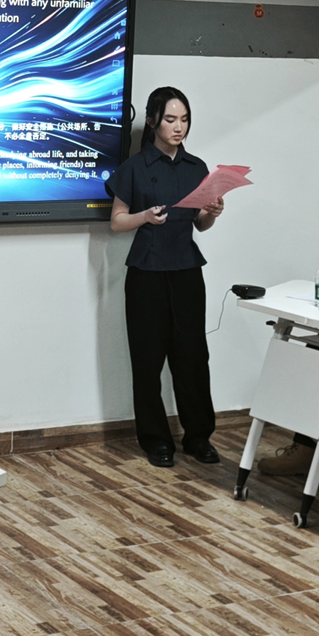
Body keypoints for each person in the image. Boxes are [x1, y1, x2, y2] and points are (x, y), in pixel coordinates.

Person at [107, 86, 226, 469]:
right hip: (146, 272)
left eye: (184, 119)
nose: (179, 127)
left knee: (193, 356)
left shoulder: (196, 168)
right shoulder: (135, 167)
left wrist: (211, 212)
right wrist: (145, 217)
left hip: (187, 270)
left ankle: (198, 437)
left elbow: (200, 225)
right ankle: (156, 440)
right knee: (147, 359)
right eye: (170, 119)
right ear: (152, 120)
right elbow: (116, 222)